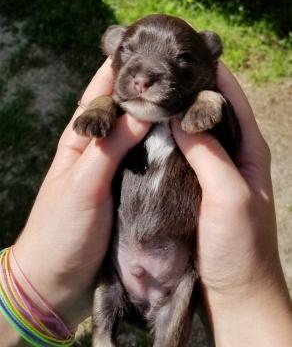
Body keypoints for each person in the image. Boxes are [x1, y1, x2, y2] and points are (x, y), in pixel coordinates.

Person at [1, 58, 292, 346]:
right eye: (132, 53)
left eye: (179, 58)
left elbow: (227, 133)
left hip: (177, 274)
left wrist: (209, 100)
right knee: (104, 329)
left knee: (177, 303)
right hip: (116, 266)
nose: (144, 75)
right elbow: (106, 105)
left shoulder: (199, 101)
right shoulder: (123, 104)